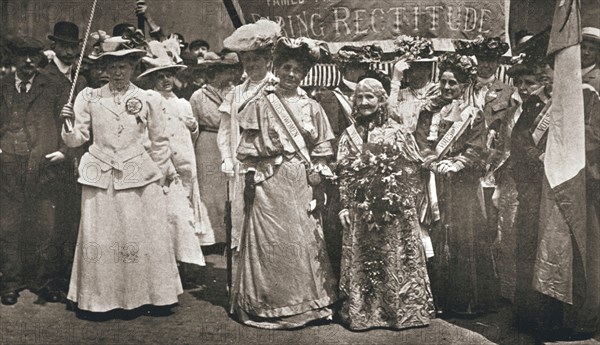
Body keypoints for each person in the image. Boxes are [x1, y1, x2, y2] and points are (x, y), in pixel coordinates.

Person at [59, 33, 182, 315]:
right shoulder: (88, 97)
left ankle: (147, 298)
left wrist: (160, 175)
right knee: (102, 237)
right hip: (101, 174)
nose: (117, 72)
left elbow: (161, 141)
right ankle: (101, 300)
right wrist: (67, 123)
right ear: (103, 68)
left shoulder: (147, 99)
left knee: (139, 236)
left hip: (140, 175)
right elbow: (77, 139)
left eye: (124, 66)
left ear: (133, 67)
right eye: (112, 66)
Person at [230, 36, 337, 329]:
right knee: (273, 240)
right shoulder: (261, 103)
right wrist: (251, 179)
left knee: (302, 237)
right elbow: (248, 147)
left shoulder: (312, 106)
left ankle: (308, 305)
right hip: (269, 180)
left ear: (304, 74)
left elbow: (322, 148)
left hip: (300, 178)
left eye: (298, 70)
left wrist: (319, 173)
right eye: (287, 68)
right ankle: (271, 304)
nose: (292, 74)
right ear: (277, 68)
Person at [336, 78, 434, 330]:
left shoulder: (398, 131)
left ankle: (398, 313)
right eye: (360, 97)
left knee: (395, 259)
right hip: (361, 209)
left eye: (370, 97)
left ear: (381, 101)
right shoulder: (349, 134)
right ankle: (365, 313)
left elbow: (413, 168)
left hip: (394, 208)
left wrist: (399, 193)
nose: (365, 102)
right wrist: (345, 205)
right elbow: (345, 173)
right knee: (365, 259)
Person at [415, 52, 495, 316]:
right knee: (436, 235)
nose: (448, 88)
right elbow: (421, 142)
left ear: (463, 86)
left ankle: (462, 302)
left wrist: (458, 162)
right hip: (434, 182)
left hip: (461, 186)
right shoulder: (429, 111)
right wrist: (431, 161)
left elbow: (477, 147)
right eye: (444, 82)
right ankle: (436, 299)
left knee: (462, 238)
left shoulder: (473, 115)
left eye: (454, 83)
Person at [0, 36, 69, 305]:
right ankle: (10, 283)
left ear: (40, 58)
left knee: (45, 226)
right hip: (8, 169)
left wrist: (64, 150)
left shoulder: (52, 87)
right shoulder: (2, 87)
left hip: (43, 167)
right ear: (14, 59)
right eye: (22, 55)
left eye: (33, 56)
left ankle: (43, 282)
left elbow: (66, 121)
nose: (28, 61)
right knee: (9, 225)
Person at [137, 37, 213, 267]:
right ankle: (164, 261)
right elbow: (147, 135)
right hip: (162, 164)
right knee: (166, 211)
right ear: (152, 80)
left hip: (184, 163)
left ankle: (179, 261)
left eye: (168, 75)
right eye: (159, 76)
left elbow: (191, 135)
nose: (165, 80)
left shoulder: (183, 103)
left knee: (183, 211)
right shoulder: (149, 100)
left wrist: (193, 127)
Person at [316, 44, 383, 282]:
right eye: (354, 65)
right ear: (343, 67)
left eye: (362, 66)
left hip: (374, 169)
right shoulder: (328, 96)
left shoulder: (374, 92)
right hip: (342, 171)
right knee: (338, 228)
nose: (358, 70)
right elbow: (328, 136)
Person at [218, 19, 281, 250]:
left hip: (272, 165)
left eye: (257, 59)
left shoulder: (278, 88)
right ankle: (243, 279)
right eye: (247, 60)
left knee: (268, 219)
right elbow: (225, 131)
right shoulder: (235, 94)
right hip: (240, 164)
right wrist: (226, 157)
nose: (251, 64)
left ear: (268, 60)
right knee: (241, 216)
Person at [45, 20, 88, 299]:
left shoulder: (81, 80)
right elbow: (41, 122)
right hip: (49, 158)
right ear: (55, 46)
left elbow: (85, 125)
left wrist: (70, 151)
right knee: (51, 223)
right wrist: (57, 149)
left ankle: (68, 279)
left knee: (72, 220)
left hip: (72, 159)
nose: (70, 51)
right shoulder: (44, 77)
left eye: (73, 46)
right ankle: (48, 281)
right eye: (64, 45)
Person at [190, 52, 240, 250]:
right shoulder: (198, 96)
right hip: (208, 143)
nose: (229, 76)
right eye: (224, 72)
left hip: (230, 141)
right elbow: (193, 125)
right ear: (214, 73)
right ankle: (211, 236)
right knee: (209, 190)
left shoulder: (235, 92)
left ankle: (230, 234)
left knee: (230, 188)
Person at [389, 36, 439, 133]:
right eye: (410, 69)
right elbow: (389, 114)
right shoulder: (400, 94)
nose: (414, 74)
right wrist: (395, 80)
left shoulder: (438, 92)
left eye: (419, 68)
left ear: (428, 69)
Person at [581, 27, 600, 92]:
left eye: (592, 49)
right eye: (583, 47)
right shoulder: (568, 72)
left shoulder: (598, 79)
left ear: (597, 53)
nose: (586, 53)